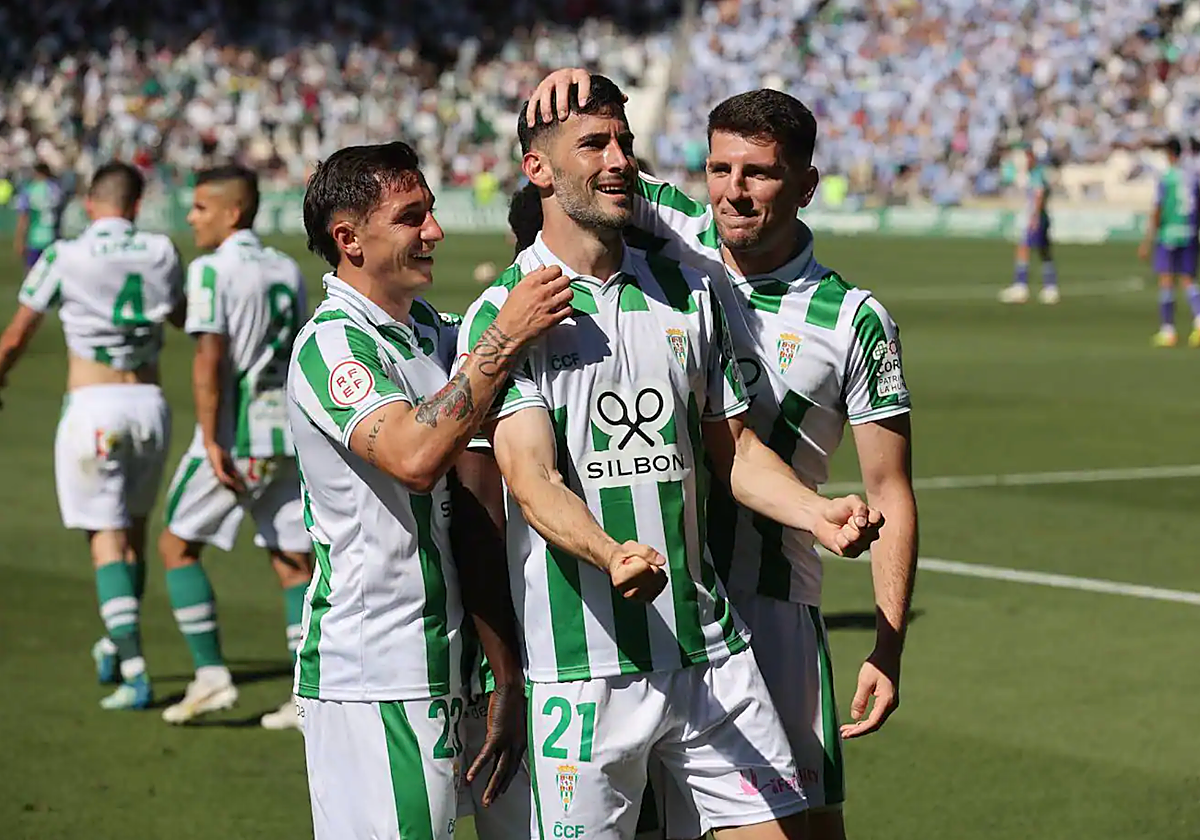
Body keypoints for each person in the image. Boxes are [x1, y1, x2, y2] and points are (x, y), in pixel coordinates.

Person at [461, 74, 883, 840]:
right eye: (594, 144)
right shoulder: (506, 315)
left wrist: (817, 511)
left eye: (625, 142)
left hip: (709, 651)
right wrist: (609, 550)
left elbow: (739, 454)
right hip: (584, 672)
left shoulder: (690, 292)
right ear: (539, 171)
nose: (619, 159)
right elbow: (532, 478)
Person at [288, 140, 572, 840]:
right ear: (348, 239)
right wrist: (502, 340)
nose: (435, 232)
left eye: (431, 212)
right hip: (380, 671)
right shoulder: (332, 346)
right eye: (412, 217)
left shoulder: (434, 336)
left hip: (472, 664)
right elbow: (414, 456)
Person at [0, 161, 185, 709]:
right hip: (150, 406)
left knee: (105, 540)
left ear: (89, 203)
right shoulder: (160, 251)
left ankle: (133, 669)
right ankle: (114, 638)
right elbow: (179, 317)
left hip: (92, 407)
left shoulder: (64, 254)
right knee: (134, 532)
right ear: (136, 204)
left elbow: (15, 337)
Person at [156, 165, 314, 728]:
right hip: (287, 435)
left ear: (232, 211)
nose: (191, 217)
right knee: (292, 562)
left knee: (176, 545)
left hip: (235, 433)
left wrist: (209, 437)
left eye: (200, 207)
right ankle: (305, 696)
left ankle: (210, 675)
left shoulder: (210, 271)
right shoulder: (286, 267)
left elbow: (209, 357)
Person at [1139, 137, 1200, 348]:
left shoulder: (1166, 178)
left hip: (1169, 234)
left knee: (1166, 280)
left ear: (1168, 154)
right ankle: (1199, 322)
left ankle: (1168, 331)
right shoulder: (1193, 178)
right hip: (1190, 233)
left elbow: (1158, 208)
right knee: (1189, 280)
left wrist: (1148, 240)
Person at [999, 142, 1059, 305]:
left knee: (1023, 248)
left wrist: (1034, 217)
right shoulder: (1034, 173)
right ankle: (1050, 288)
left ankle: (1021, 287)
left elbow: (1039, 195)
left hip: (1036, 216)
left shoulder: (1037, 174)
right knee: (1044, 251)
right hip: (1042, 216)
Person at [14, 163, 66, 271]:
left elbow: (24, 218)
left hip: (34, 239)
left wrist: (19, 240)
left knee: (31, 274)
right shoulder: (56, 189)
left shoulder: (29, 190)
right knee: (51, 273)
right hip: (52, 238)